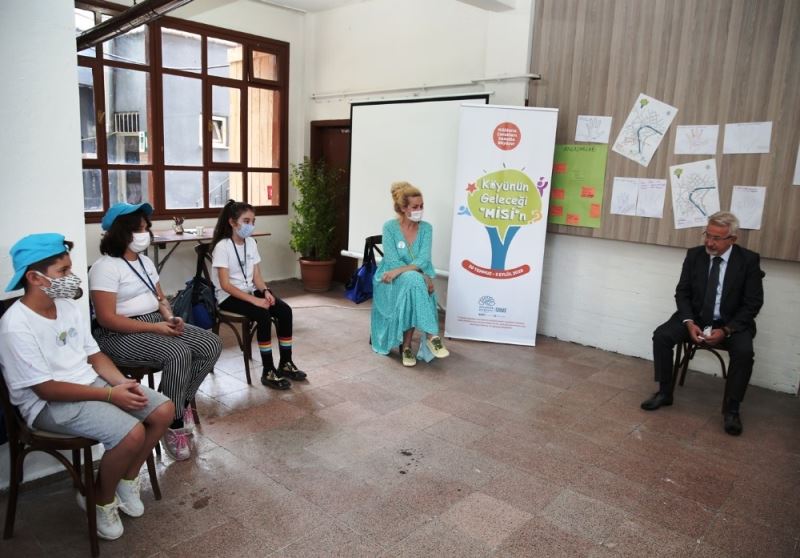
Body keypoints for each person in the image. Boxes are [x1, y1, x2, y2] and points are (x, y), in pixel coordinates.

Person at [0, 233, 174, 541]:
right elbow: (45, 389)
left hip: (89, 383)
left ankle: (126, 479)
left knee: (163, 410)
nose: (72, 277)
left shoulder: (67, 306)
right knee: (131, 433)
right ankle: (100, 499)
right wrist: (109, 394)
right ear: (34, 278)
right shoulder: (16, 324)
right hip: (47, 404)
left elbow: (94, 355)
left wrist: (121, 382)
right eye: (63, 271)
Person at [89, 203, 222, 460]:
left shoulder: (145, 262)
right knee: (178, 353)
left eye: (145, 228)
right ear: (121, 232)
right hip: (118, 334)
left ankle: (176, 404)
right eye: (139, 229)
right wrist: (155, 327)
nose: (145, 234)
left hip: (154, 321)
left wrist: (171, 318)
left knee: (211, 344)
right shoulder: (105, 267)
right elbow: (107, 319)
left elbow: (160, 299)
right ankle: (172, 423)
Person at [641, 211, 764, 436]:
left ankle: (732, 409)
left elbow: (753, 303)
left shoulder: (748, 261)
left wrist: (726, 330)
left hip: (731, 322)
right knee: (662, 336)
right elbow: (682, 292)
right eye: (707, 235)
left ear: (732, 239)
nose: (709, 242)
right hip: (695, 317)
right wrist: (689, 322)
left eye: (716, 238)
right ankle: (664, 392)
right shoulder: (695, 255)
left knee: (744, 352)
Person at [210, 200, 307, 390]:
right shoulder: (223, 247)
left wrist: (265, 291)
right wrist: (255, 300)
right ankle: (268, 371)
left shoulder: (251, 243)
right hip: (228, 297)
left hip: (249, 291)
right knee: (263, 315)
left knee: (284, 310)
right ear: (232, 222)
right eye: (246, 221)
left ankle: (286, 363)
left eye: (253, 221)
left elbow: (257, 277)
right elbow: (225, 285)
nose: (250, 225)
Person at [370, 181, 449, 366]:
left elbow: (423, 259)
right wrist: (422, 276)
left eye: (422, 206)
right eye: (415, 207)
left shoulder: (426, 228)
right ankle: (431, 336)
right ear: (403, 208)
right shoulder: (389, 227)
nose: (419, 210)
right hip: (388, 279)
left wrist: (414, 273)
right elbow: (392, 262)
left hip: (411, 278)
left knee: (413, 285)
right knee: (416, 282)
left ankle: (406, 347)